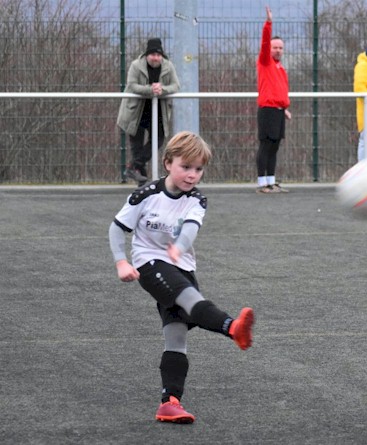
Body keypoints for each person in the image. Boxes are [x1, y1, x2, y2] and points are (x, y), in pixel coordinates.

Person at [108, 131, 255, 424]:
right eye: (185, 167)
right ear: (167, 164)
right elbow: (116, 227)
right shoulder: (144, 195)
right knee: (191, 300)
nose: (192, 175)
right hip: (149, 264)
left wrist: (180, 246)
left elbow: (190, 228)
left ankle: (170, 402)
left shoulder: (197, 200)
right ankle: (232, 327)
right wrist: (121, 262)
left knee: (176, 337)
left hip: (181, 266)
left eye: (198, 169)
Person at [117, 37, 180, 187]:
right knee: (136, 145)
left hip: (158, 110)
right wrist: (150, 90)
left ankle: (134, 167)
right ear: (147, 55)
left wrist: (162, 89)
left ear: (161, 56)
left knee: (158, 139)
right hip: (136, 111)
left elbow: (175, 86)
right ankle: (142, 183)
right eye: (152, 54)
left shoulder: (168, 66)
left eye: (158, 55)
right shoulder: (136, 65)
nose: (155, 58)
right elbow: (132, 86)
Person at [255, 6, 292, 194]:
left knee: (275, 146)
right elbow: (263, 43)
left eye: (280, 48)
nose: (278, 50)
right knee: (266, 145)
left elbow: (279, 90)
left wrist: (284, 108)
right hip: (267, 110)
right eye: (275, 47)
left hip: (277, 110)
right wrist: (268, 23)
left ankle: (271, 180)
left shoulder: (280, 68)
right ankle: (262, 183)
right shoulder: (265, 62)